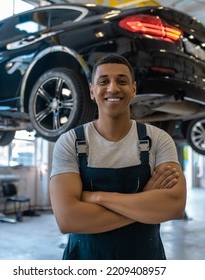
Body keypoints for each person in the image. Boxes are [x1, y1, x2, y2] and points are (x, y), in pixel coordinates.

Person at [49, 54, 186, 260]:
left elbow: (174, 206)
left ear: (134, 89)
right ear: (92, 91)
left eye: (122, 81)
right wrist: (144, 203)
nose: (113, 88)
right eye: (103, 82)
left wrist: (97, 197)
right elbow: (68, 219)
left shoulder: (158, 139)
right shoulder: (70, 143)